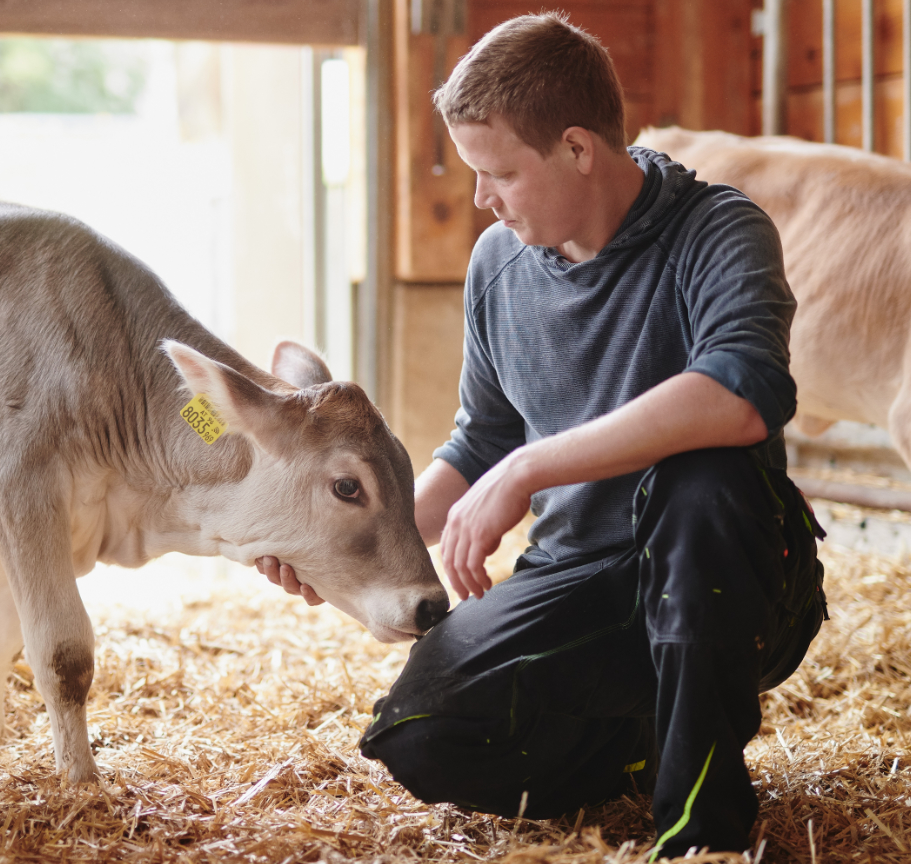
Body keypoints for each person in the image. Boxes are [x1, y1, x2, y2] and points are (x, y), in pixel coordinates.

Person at [259, 12, 828, 858]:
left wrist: (532, 467)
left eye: (499, 174)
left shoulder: (717, 230)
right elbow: (481, 439)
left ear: (576, 148)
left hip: (730, 573)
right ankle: (658, 740)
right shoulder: (497, 264)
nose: (483, 199)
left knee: (700, 479)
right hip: (580, 582)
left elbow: (743, 392)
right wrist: (346, 539)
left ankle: (698, 828)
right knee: (419, 733)